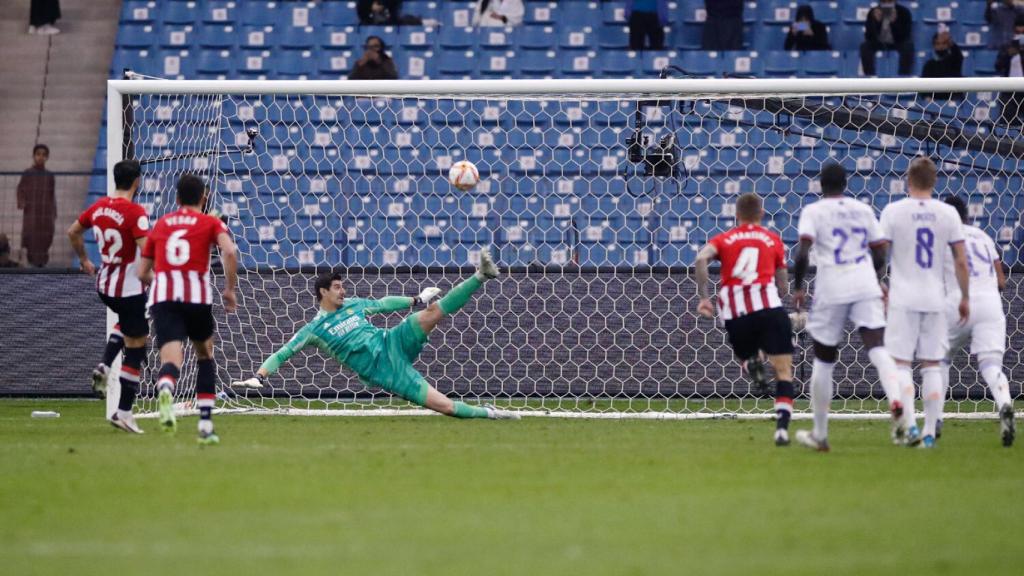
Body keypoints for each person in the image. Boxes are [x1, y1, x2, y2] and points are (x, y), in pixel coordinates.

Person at [232, 252, 520, 421]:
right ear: (323, 293)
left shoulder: (354, 305)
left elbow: (382, 304)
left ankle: (482, 275)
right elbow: (284, 352)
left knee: (433, 312)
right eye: (337, 287)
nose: (343, 291)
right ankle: (492, 414)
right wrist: (260, 376)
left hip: (391, 340)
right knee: (445, 406)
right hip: (386, 371)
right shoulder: (313, 330)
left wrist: (416, 299)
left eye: (343, 286)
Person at [791, 163, 904, 452]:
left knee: (824, 358)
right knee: (877, 346)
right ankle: (896, 400)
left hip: (832, 284)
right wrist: (876, 279)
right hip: (864, 280)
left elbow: (803, 252)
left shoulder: (813, 211)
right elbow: (880, 251)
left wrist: (799, 286)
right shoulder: (863, 210)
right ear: (845, 183)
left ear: (820, 185)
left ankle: (820, 433)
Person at [137, 174, 239, 445]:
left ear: (177, 198)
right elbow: (229, 251)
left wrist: (161, 282)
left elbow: (141, 272)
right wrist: (230, 289)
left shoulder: (161, 225)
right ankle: (205, 426)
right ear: (204, 198)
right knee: (205, 356)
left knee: (172, 359)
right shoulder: (210, 221)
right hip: (196, 298)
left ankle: (167, 386)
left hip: (164, 298)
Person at [877, 157, 970, 448]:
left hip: (902, 297)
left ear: (908, 179)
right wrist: (965, 296)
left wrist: (880, 284)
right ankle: (930, 433)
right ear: (934, 182)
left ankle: (911, 425)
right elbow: (960, 261)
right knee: (932, 365)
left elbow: (881, 255)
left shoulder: (893, 211)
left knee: (901, 364)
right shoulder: (948, 214)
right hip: (935, 297)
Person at [694, 193, 796, 446]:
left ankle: (751, 362)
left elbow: (700, 258)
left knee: (748, 352)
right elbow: (783, 286)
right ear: (761, 215)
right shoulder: (773, 240)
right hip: (769, 308)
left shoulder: (724, 239)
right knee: (784, 372)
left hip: (736, 314)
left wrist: (704, 297)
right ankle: (782, 429)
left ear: (736, 216)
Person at [67, 160, 151, 432]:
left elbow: (73, 231)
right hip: (129, 289)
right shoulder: (135, 212)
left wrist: (84, 260)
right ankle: (124, 412)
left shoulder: (99, 206)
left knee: (127, 326)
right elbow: (146, 252)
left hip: (104, 285)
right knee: (137, 347)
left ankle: (104, 364)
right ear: (137, 181)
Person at [940, 196, 1014, 447]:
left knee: (939, 358)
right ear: (967, 217)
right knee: (991, 366)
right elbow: (1002, 281)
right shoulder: (983, 237)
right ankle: (1004, 403)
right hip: (991, 303)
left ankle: (935, 418)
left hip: (959, 300)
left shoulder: (944, 238)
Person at [16, 144, 56, 268]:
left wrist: (53, 212)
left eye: (44, 155)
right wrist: (22, 202)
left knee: (45, 237)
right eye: (38, 154)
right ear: (34, 156)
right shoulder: (27, 173)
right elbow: (20, 189)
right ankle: (31, 264)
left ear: (47, 157)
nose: (41, 157)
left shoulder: (49, 176)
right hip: (31, 214)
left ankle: (42, 265)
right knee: (31, 237)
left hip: (45, 215)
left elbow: (52, 195)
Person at [860, 0, 914, 76]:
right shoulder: (873, 12)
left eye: (890, 1)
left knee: (908, 46)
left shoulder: (904, 12)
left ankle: (903, 76)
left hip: (898, 42)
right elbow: (868, 36)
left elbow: (905, 35)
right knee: (865, 46)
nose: (887, 3)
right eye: (884, 1)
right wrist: (877, 22)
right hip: (878, 43)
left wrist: (894, 23)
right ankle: (870, 75)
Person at [995, 16, 1024, 128]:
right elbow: (997, 66)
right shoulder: (1006, 47)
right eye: (1018, 32)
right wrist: (1008, 55)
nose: (1021, 35)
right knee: (1007, 121)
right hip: (1010, 91)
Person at [921, 31, 964, 101]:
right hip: (932, 103)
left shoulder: (953, 62)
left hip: (952, 101)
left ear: (948, 45)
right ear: (934, 46)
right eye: (938, 44)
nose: (941, 46)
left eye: (944, 43)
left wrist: (950, 42)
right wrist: (927, 97)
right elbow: (923, 86)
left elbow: (958, 56)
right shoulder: (929, 65)